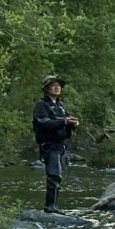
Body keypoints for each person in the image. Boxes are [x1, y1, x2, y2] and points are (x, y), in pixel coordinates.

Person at [33, 75, 79, 213]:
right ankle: (50, 206)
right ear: (46, 88)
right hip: (49, 144)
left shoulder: (60, 105)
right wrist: (63, 121)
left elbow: (66, 120)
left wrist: (73, 123)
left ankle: (54, 206)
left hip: (61, 145)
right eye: (53, 85)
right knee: (54, 176)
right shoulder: (41, 105)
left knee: (58, 176)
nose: (57, 87)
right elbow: (43, 123)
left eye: (58, 85)